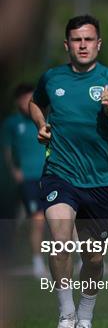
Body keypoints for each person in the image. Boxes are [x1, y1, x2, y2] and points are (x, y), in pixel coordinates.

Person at [29, 14, 108, 328]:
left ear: (99, 44)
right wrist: (41, 123)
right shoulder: (52, 78)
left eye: (89, 39)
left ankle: (85, 319)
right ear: (67, 45)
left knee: (93, 258)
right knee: (60, 242)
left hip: (98, 181)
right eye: (77, 40)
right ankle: (65, 313)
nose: (83, 45)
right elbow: (36, 103)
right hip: (59, 174)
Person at [2, 83, 47, 278]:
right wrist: (15, 172)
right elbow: (7, 151)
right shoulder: (12, 124)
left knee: (64, 219)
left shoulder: (46, 120)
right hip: (28, 179)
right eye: (26, 99)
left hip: (52, 176)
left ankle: (80, 258)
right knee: (37, 220)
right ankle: (37, 261)